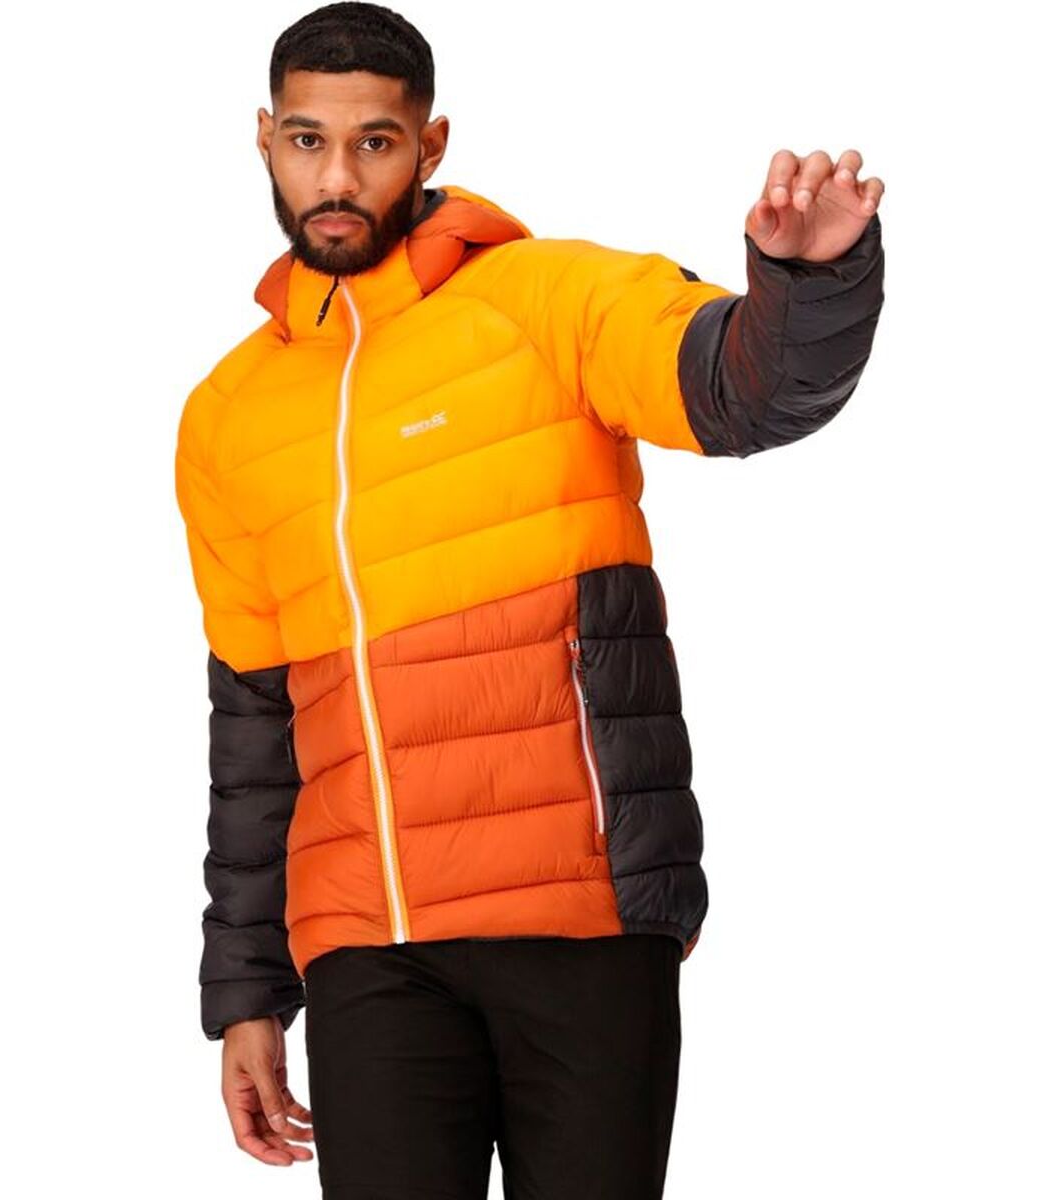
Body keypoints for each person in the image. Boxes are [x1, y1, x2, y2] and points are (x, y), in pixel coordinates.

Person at [173, 3, 886, 1196]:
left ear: (430, 144)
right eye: (307, 141)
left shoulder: (549, 299)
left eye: (374, 142)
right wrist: (248, 993)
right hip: (368, 945)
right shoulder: (226, 417)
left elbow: (742, 390)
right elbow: (253, 725)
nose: (336, 177)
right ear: (264, 138)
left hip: (582, 917)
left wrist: (807, 283)